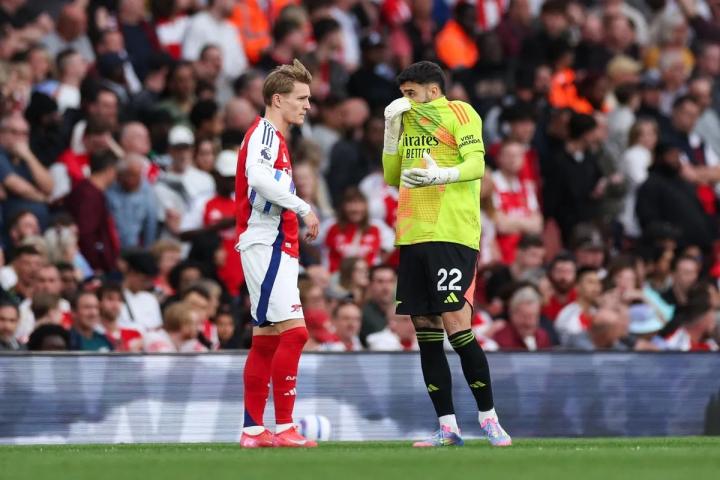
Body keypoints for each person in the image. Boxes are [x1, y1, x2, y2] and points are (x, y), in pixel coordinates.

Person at [382, 61, 511, 447]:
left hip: (452, 232)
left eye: (411, 93)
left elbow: (477, 164)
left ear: (433, 91)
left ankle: (489, 419)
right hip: (412, 233)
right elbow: (392, 176)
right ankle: (447, 427)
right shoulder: (406, 120)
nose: (406, 100)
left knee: (457, 325)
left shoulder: (460, 112)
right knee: (425, 328)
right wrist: (390, 131)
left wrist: (443, 175)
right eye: (403, 94)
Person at [235, 59, 320, 449]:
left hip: (274, 243)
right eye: (301, 98)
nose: (307, 106)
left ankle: (253, 431)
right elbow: (256, 177)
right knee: (296, 333)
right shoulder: (265, 134)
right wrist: (303, 207)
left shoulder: (275, 138)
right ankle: (285, 426)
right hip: (266, 243)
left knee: (267, 340)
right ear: (277, 99)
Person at [493, 286, 553, 351]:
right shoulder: (502, 339)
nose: (529, 323)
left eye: (533, 317)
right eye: (524, 317)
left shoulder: (543, 337)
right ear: (512, 315)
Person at [555, 267, 602, 342]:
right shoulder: (567, 315)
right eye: (591, 282)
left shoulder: (599, 313)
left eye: (598, 283)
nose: (596, 287)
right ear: (577, 287)